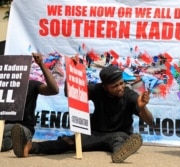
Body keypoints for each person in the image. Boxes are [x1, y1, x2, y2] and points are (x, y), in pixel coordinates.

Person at [24, 63, 154, 163]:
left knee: (119, 139)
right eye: (114, 86)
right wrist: (72, 72)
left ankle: (120, 153)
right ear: (104, 87)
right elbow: (70, 93)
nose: (120, 88)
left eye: (121, 84)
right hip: (95, 133)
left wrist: (142, 108)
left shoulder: (130, 95)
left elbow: (151, 122)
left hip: (119, 133)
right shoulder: (97, 90)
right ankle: (31, 147)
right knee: (69, 142)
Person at [1, 53, 59, 157]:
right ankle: (11, 143)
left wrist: (41, 64)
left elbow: (54, 90)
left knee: (16, 128)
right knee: (7, 135)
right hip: (3, 127)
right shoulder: (3, 86)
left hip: (24, 128)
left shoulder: (31, 85)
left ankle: (16, 141)